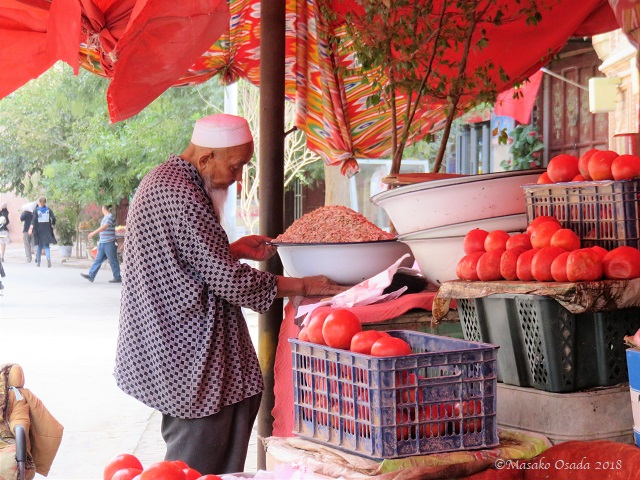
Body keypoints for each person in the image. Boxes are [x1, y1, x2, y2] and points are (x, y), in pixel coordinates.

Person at [114, 113, 346, 475]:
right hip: (188, 353)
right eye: (236, 167)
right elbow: (231, 283)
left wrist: (230, 248)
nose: (238, 178)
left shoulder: (167, 178)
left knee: (221, 446)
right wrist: (304, 285)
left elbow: (183, 254)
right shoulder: (182, 194)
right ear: (206, 158)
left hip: (176, 344)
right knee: (195, 463)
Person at [80, 205, 121, 283]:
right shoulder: (105, 218)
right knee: (98, 260)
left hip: (109, 242)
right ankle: (91, 275)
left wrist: (93, 233)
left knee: (113, 260)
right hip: (102, 242)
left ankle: (117, 277)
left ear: (104, 208)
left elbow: (105, 226)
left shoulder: (110, 216)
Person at [29, 197, 56, 268]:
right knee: (46, 246)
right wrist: (53, 224)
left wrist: (31, 228)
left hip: (39, 230)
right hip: (47, 229)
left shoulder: (36, 210)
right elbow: (53, 218)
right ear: (45, 202)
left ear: (39, 202)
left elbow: (34, 220)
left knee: (39, 246)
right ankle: (48, 258)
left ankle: (38, 262)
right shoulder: (48, 209)